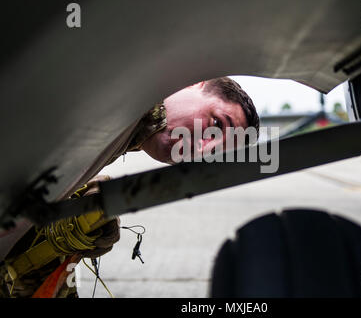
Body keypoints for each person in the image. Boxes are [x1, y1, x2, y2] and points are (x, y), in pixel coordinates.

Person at [0, 77, 259, 297]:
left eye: (213, 153)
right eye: (215, 125)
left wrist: (57, 223)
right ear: (195, 83)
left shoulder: (116, 133)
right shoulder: (115, 91)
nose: (200, 149)